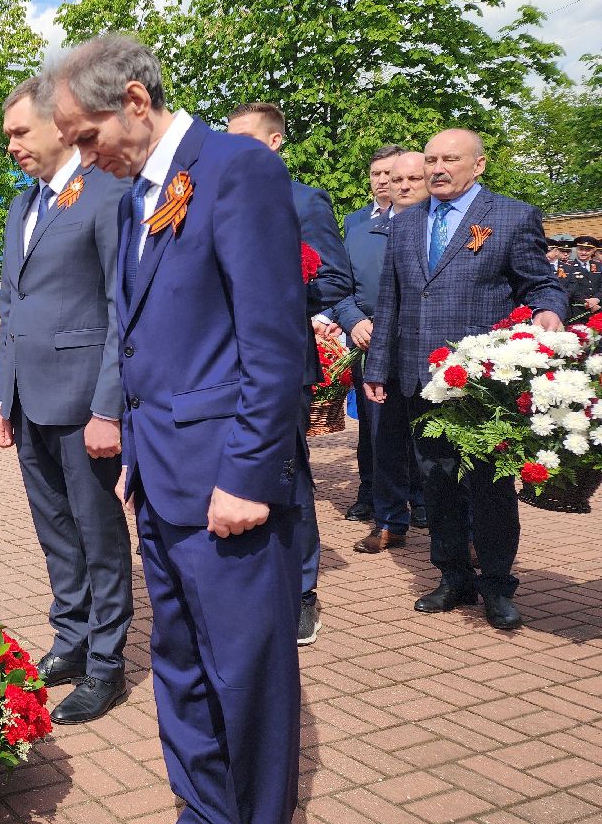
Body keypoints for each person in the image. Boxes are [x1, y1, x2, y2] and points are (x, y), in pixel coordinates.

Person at [52, 34, 307, 824]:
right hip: (159, 478)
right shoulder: (133, 200)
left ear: (134, 100)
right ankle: (203, 820)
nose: (83, 159)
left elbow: (273, 347)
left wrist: (249, 476)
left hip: (226, 487)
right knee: (182, 665)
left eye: (87, 137)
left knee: (249, 676)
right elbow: (146, 338)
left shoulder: (235, 169)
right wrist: (134, 446)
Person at [365, 128, 567, 631]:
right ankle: (452, 576)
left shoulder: (510, 217)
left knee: (489, 487)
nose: (437, 168)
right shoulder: (407, 224)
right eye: (430, 159)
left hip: (483, 386)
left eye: (449, 159)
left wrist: (549, 309)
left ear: (477, 166)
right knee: (436, 483)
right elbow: (390, 300)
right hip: (420, 378)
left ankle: (497, 585)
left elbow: (540, 282)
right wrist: (377, 367)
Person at [0, 75, 131, 723]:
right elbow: (11, 302)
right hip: (29, 400)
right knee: (55, 533)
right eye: (9, 136)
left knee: (98, 534)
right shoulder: (22, 206)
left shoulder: (107, 195)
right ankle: (71, 640)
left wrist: (109, 408)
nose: (13, 145)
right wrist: (3, 397)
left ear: (59, 124)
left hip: (83, 404)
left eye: (20, 132)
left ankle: (107, 663)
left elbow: (121, 308)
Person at [225, 101, 353, 647]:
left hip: (280, 365)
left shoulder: (302, 200)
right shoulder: (211, 197)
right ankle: (245, 586)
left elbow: (335, 280)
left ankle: (302, 593)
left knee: (286, 476)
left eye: (246, 140)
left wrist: (278, 288)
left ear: (276, 143)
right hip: (219, 367)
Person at [333, 151, 428, 553]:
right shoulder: (358, 230)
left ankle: (430, 508)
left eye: (401, 175)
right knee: (380, 434)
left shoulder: (439, 227)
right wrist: (353, 320)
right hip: (374, 343)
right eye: (381, 175)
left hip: (429, 344)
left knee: (429, 436)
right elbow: (341, 287)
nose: (390, 182)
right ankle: (389, 517)